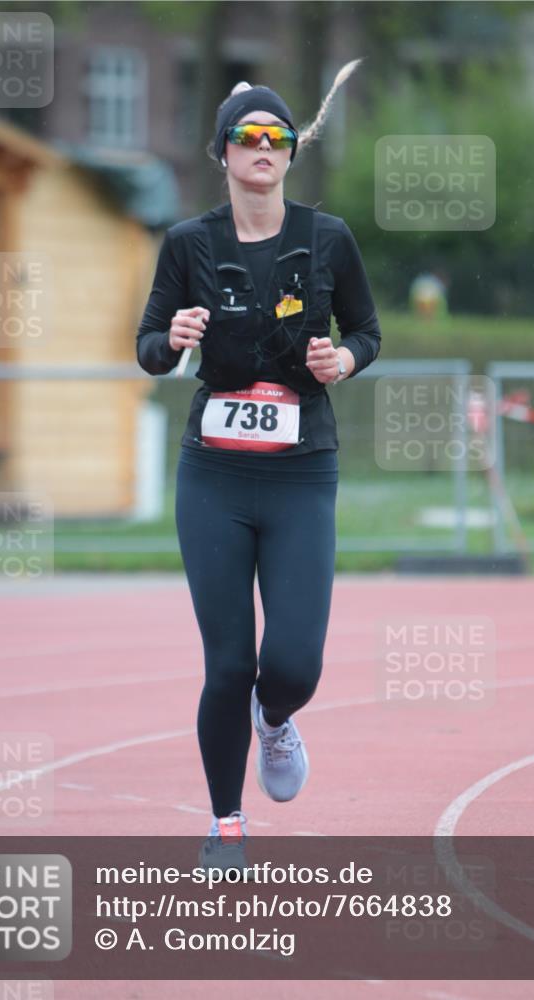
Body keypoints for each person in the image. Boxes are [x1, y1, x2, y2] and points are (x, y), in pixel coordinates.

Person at [136, 61, 381, 874]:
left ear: (288, 154)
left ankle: (274, 719)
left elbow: (368, 331)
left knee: (292, 665)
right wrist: (172, 340)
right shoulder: (188, 244)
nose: (265, 147)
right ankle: (226, 824)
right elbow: (143, 349)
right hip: (213, 474)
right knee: (228, 662)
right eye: (249, 136)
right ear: (224, 153)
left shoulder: (327, 238)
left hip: (300, 471)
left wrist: (342, 358)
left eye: (278, 136)